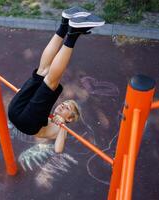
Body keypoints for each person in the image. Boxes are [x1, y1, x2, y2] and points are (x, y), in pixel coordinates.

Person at [8, 7, 105, 153]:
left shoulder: (62, 127)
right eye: (65, 104)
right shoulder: (48, 115)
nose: (62, 106)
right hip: (17, 111)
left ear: (70, 119)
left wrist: (62, 127)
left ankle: (72, 31)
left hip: (26, 121)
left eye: (67, 109)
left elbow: (58, 150)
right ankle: (65, 25)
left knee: (50, 80)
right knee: (44, 71)